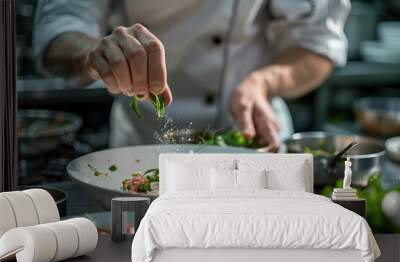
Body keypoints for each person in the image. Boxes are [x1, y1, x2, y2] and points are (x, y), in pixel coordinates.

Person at [33, 0, 350, 150]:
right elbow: (59, 30)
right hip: (144, 148)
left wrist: (263, 82)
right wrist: (93, 54)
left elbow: (317, 46)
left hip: (251, 141)